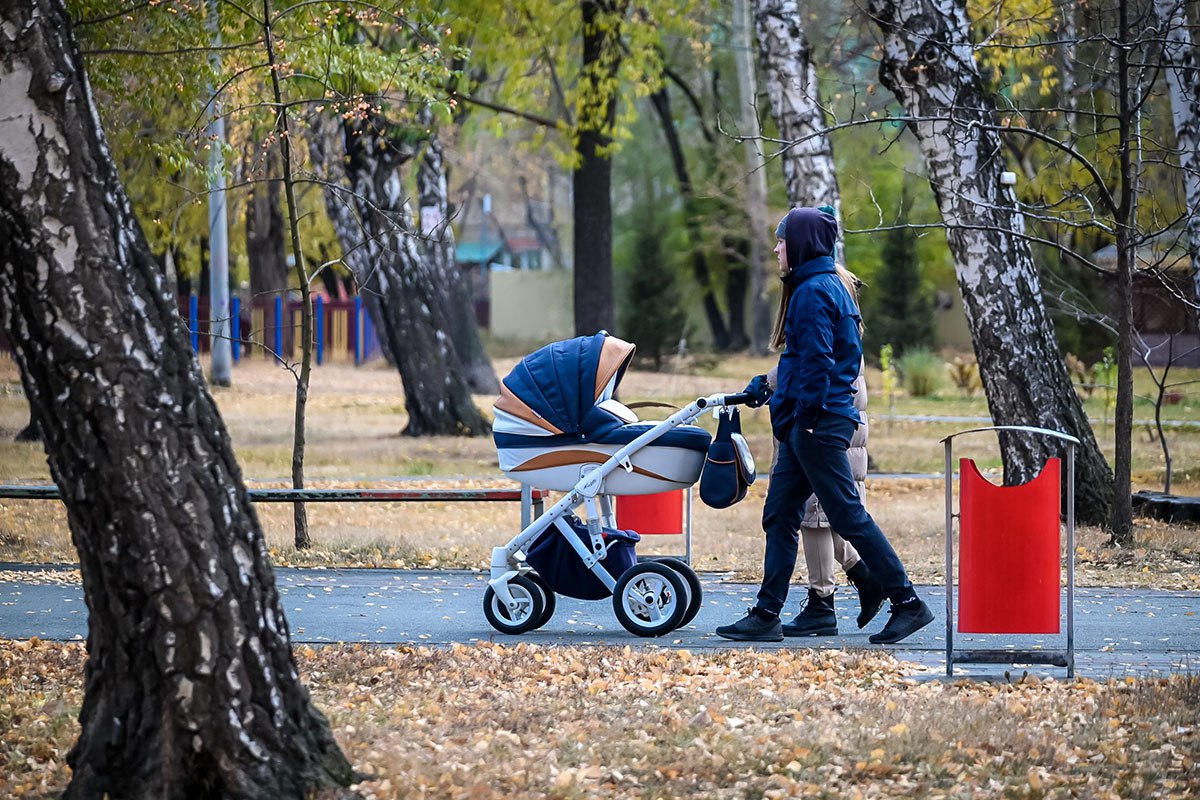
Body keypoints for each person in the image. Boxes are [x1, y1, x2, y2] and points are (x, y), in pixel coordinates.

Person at [716, 206, 933, 644]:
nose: (776, 248)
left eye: (782, 240)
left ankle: (908, 602)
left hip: (818, 426)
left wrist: (807, 417)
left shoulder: (814, 291)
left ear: (799, 243)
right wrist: (776, 391)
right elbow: (800, 360)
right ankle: (766, 614)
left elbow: (820, 362)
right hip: (808, 425)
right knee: (779, 515)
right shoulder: (818, 287)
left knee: (847, 515)